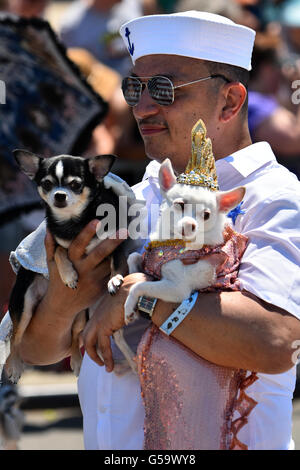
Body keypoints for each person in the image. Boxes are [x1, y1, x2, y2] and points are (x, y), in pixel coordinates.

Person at [8, 11, 300, 450]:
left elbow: (275, 343)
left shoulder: (272, 194)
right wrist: (67, 299)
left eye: (165, 89)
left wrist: (140, 297)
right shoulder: (119, 198)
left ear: (230, 101)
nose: (142, 106)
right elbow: (34, 350)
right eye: (135, 88)